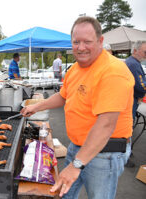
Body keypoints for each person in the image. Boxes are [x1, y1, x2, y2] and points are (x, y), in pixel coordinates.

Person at [21, 16, 134, 199]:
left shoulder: (113, 72)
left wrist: (76, 165)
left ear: (100, 41)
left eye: (87, 42)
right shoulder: (75, 69)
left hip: (105, 154)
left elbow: (106, 124)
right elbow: (64, 96)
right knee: (64, 195)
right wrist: (37, 107)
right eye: (76, 42)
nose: (81, 47)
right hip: (78, 146)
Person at [125, 41, 146, 120]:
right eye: (145, 52)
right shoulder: (134, 64)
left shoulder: (131, 61)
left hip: (129, 97)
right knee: (129, 122)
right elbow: (141, 86)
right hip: (132, 99)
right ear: (135, 51)